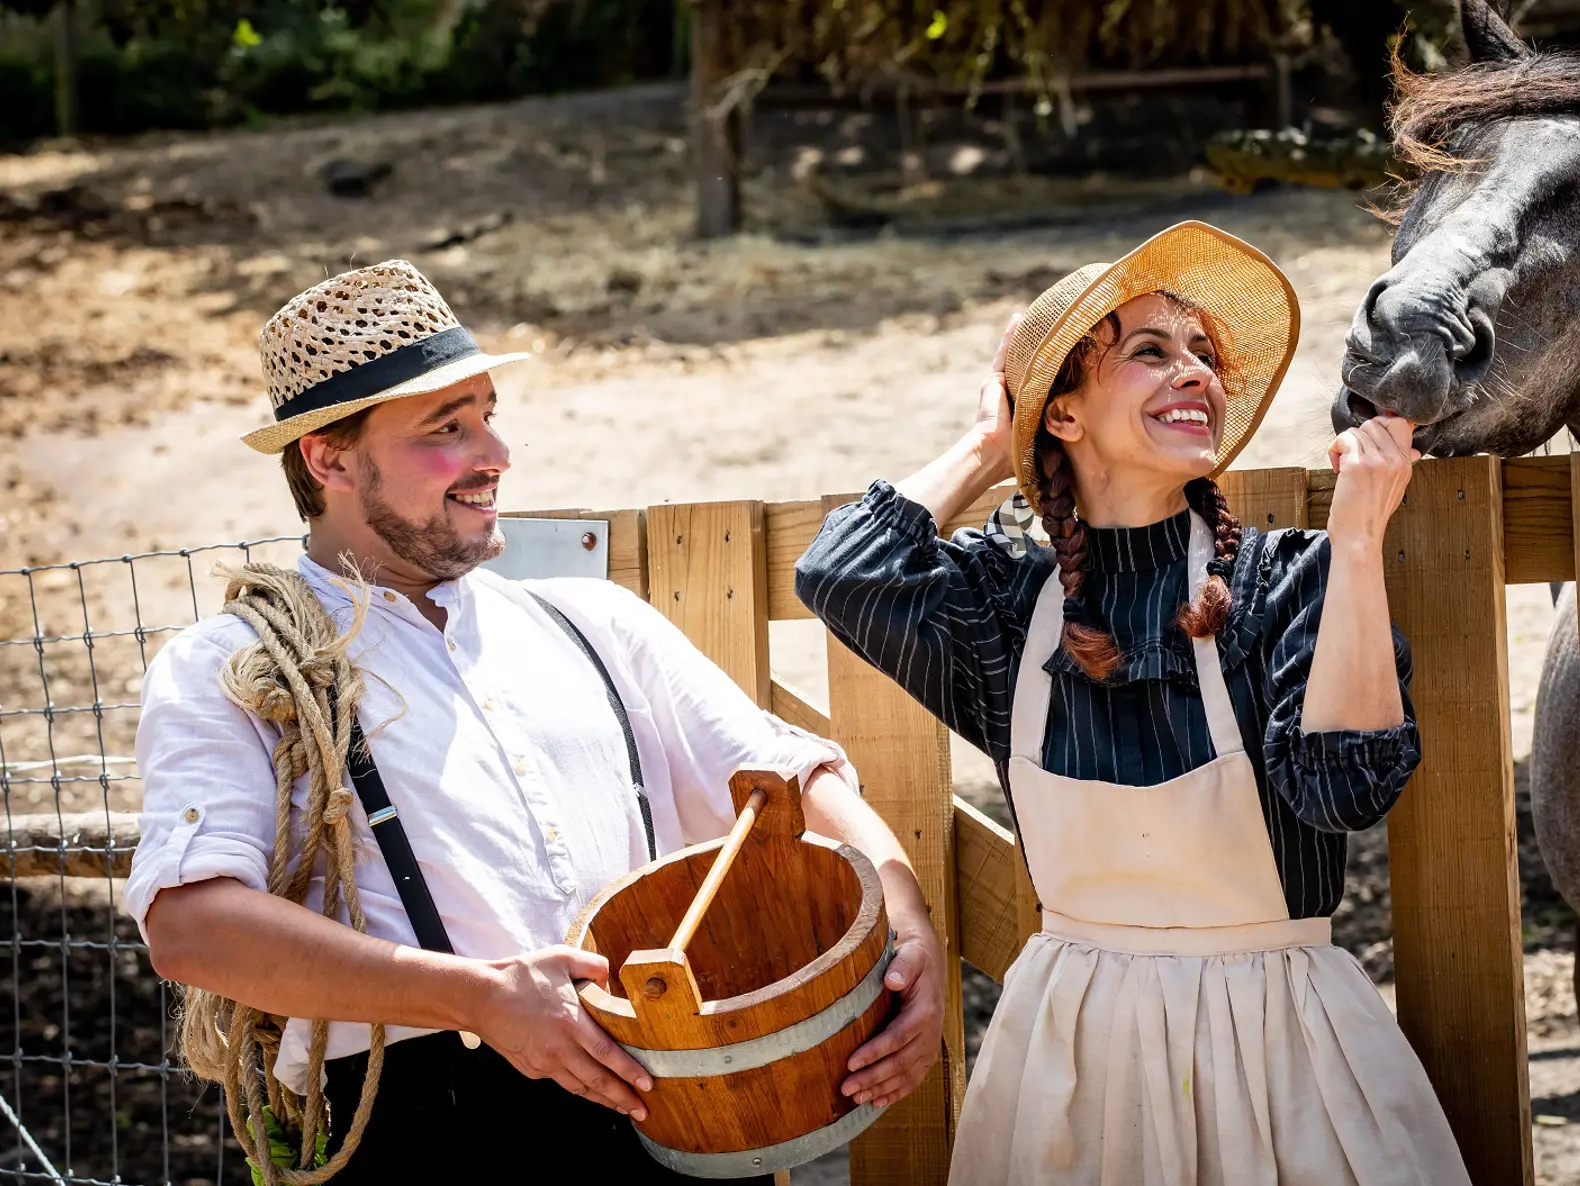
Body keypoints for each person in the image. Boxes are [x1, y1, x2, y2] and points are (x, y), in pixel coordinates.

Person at [127, 260, 944, 1183]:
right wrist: (480, 1000)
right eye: (447, 429)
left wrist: (910, 937)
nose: (495, 455)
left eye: (487, 416)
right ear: (329, 458)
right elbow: (191, 927)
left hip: (677, 1111)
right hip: (428, 1136)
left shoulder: (596, 623)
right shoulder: (229, 670)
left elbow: (796, 782)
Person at [795, 222, 1469, 1184]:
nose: (1193, 373)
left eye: (1202, 355)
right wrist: (992, 443)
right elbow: (841, 570)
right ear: (1062, 415)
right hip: (1072, 1051)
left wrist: (1359, 536)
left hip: (1283, 1043)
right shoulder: (1007, 608)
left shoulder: (1289, 579)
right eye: (1150, 353)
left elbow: (1342, 792)